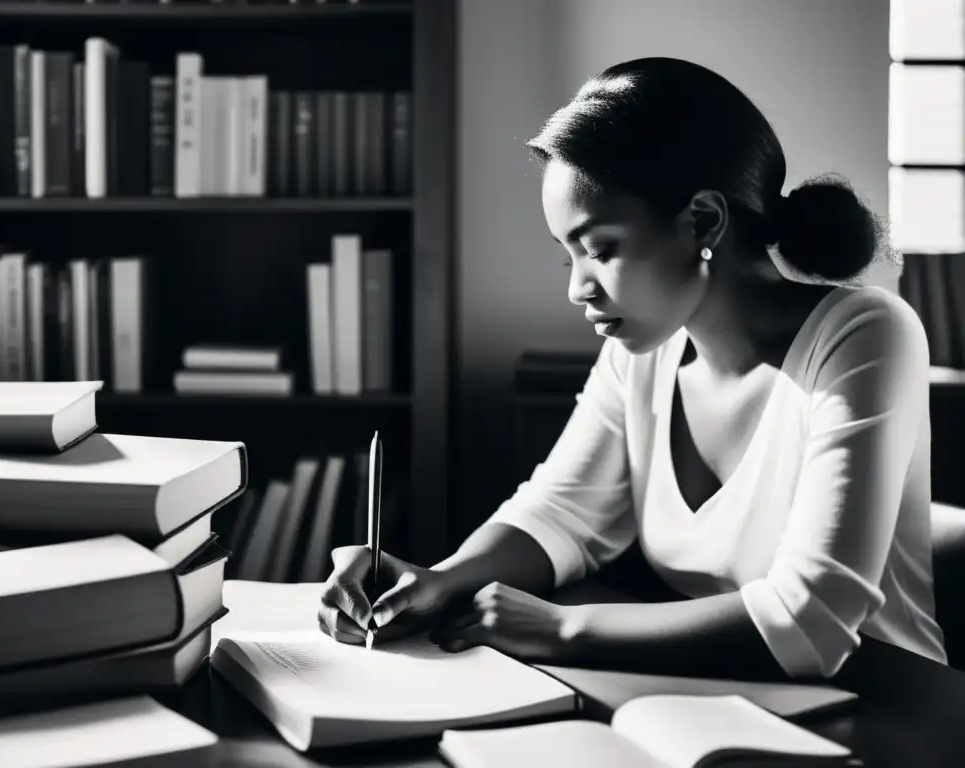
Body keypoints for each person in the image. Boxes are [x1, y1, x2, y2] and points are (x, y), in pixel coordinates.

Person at [317, 57, 947, 681]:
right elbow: (558, 515)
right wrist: (439, 581)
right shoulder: (640, 357)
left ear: (703, 220)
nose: (578, 290)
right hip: (726, 704)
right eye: (570, 258)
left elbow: (812, 621)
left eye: (601, 249)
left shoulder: (866, 334)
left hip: (890, 713)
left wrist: (561, 627)